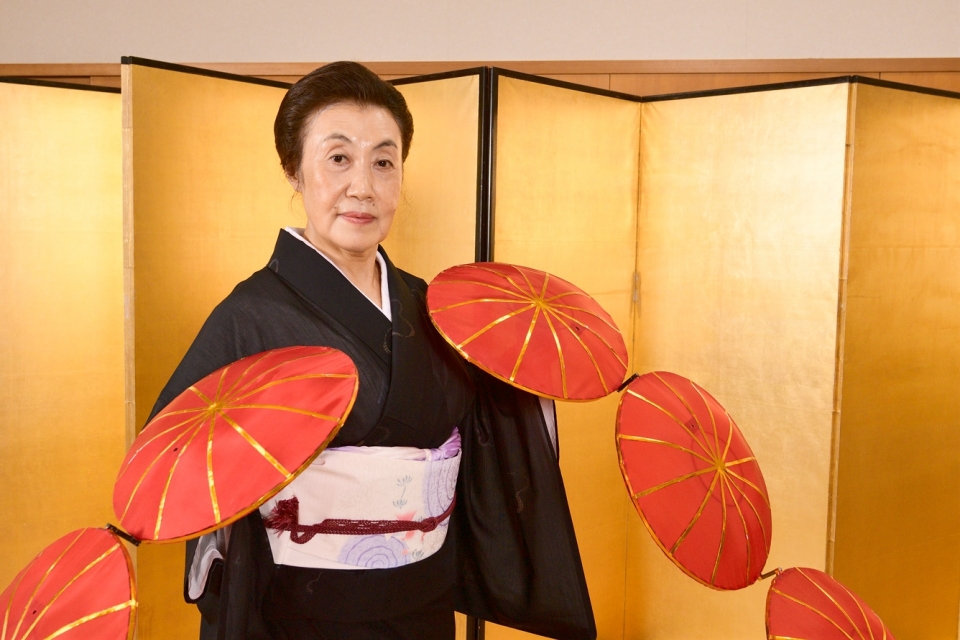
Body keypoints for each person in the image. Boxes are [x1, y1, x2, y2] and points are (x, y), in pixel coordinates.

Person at [149, 61, 595, 640]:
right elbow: (176, 464)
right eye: (338, 158)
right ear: (294, 169)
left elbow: (487, 432)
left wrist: (531, 367)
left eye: (384, 162)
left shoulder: (436, 308)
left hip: (424, 602)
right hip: (302, 613)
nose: (363, 186)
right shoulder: (249, 317)